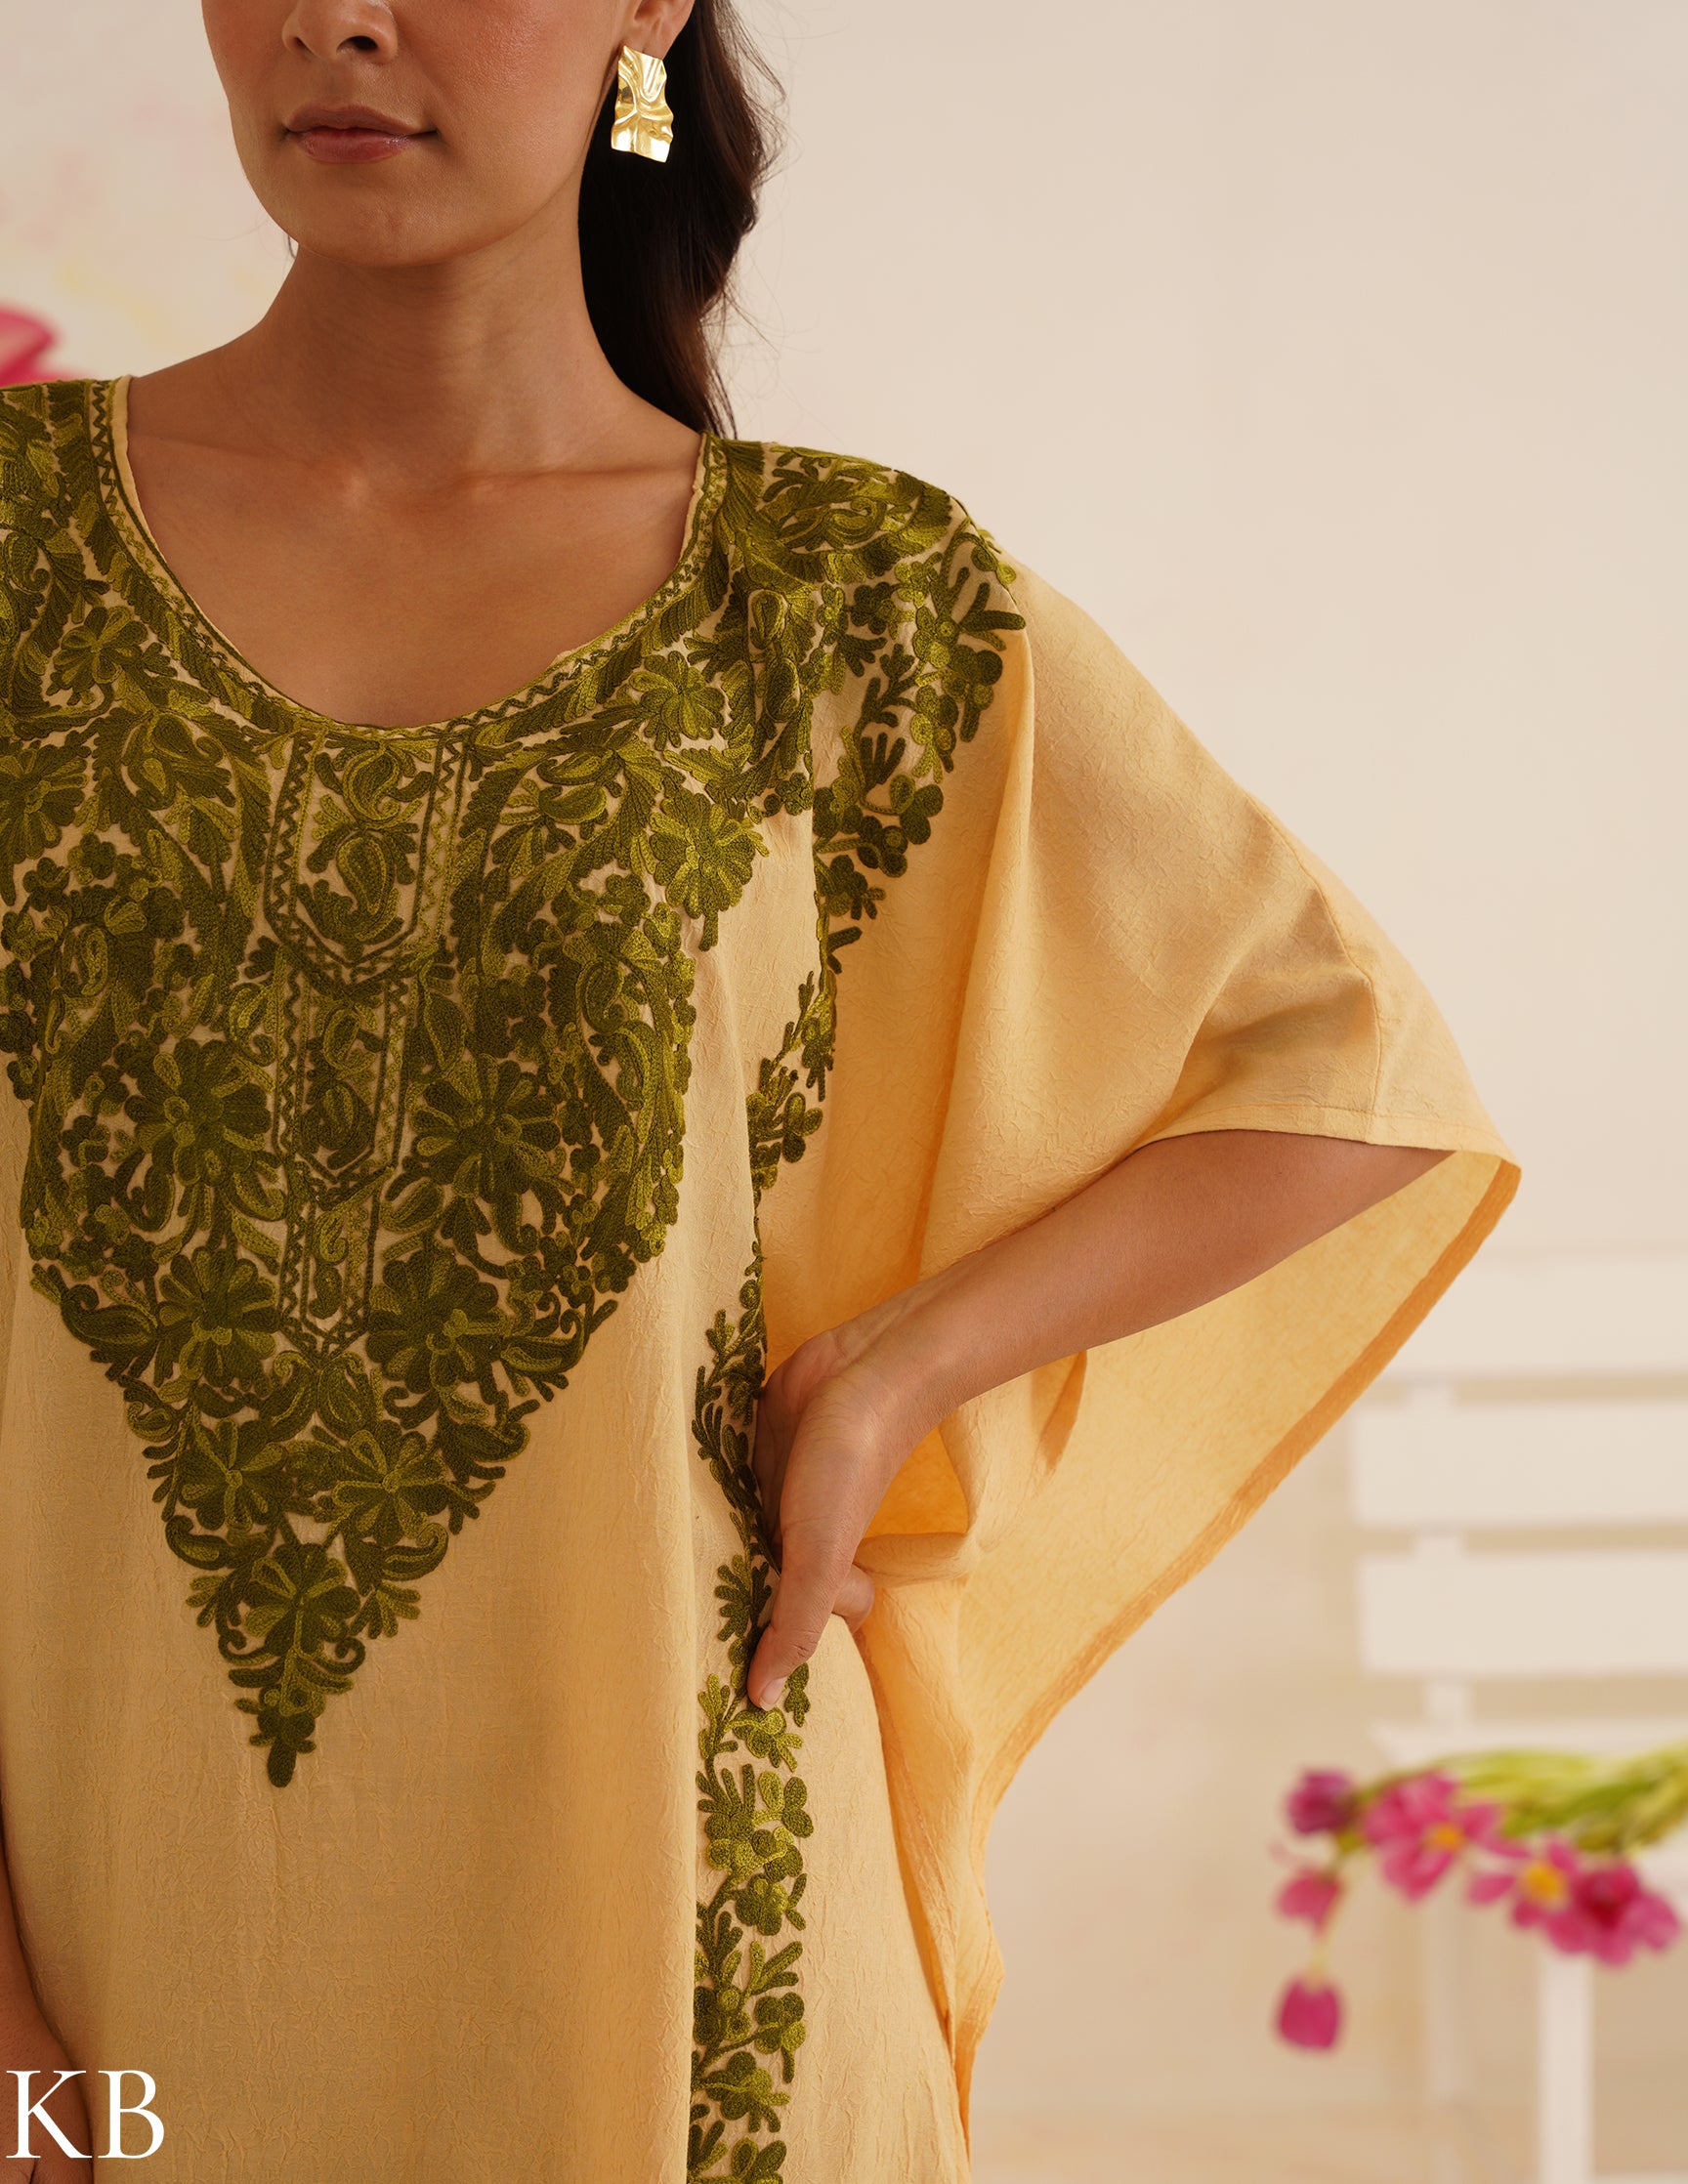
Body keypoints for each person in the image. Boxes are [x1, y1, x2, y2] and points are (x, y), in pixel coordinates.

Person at [0, 2, 1519, 2177]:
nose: (342, 14)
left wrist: (904, 1370)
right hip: (106, 1980)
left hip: (688, 1951)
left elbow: (1340, 1066)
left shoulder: (843, 605)